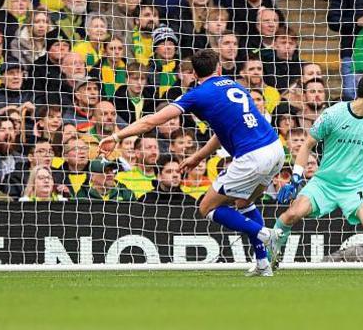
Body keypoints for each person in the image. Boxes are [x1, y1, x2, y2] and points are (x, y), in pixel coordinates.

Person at [102, 48, 283, 276]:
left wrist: (117, 136)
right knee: (243, 203)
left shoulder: (197, 95)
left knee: (207, 207)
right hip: (275, 149)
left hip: (252, 156)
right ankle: (263, 265)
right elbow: (221, 132)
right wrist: (197, 156)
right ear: (218, 68)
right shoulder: (233, 84)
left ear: (194, 74)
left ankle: (266, 234)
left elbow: (150, 122)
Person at [268, 74, 363, 270]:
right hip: (324, 183)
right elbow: (307, 144)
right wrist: (295, 177)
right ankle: (269, 259)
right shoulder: (334, 114)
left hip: (355, 186)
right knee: (292, 213)